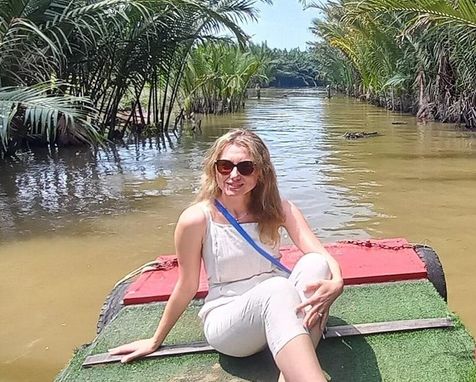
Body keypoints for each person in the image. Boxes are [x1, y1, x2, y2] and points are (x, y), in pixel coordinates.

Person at [108, 128, 344, 382]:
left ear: (260, 172)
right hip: (230, 323)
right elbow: (186, 285)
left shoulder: (280, 209)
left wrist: (338, 282)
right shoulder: (196, 219)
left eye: (245, 167)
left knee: (316, 264)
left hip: (280, 308)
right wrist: (155, 340)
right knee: (278, 288)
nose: (234, 175)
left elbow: (321, 253)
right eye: (225, 166)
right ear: (214, 169)